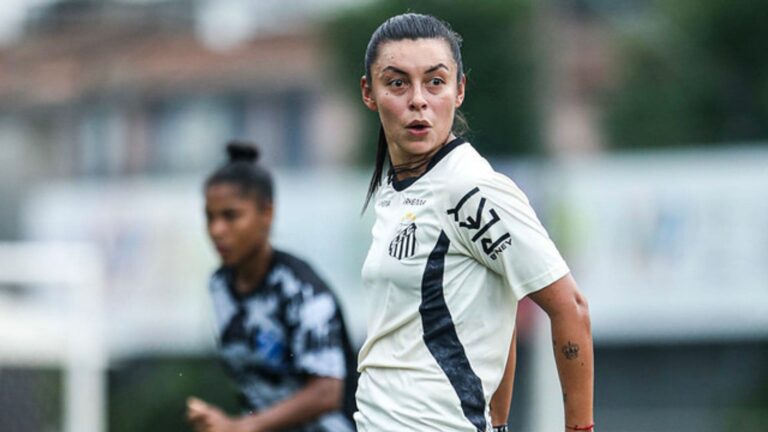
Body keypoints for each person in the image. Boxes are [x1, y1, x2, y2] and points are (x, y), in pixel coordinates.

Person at [355, 13, 594, 432]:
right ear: (368, 92)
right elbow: (496, 303)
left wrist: (580, 429)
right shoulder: (400, 188)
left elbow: (570, 307)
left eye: (435, 81)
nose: (417, 100)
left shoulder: (468, 186)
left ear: (459, 89)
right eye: (397, 83)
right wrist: (498, 422)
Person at [187, 142, 357, 432]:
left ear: (266, 213)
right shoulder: (219, 286)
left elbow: (327, 392)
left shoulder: (302, 290)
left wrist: (241, 427)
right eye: (210, 217)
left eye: (230, 216)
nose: (216, 230)